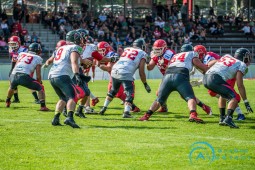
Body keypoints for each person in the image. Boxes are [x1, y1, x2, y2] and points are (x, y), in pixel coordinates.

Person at [139, 44, 209, 122]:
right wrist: (208, 69)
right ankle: (193, 115)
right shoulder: (191, 53)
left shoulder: (175, 55)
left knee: (159, 99)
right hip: (180, 75)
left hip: (167, 76)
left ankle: (147, 115)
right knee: (190, 97)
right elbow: (199, 64)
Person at [99, 38, 151, 118]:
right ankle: (126, 112)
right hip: (125, 72)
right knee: (130, 93)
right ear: (142, 46)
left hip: (115, 70)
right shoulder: (142, 53)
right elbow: (141, 72)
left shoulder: (127, 49)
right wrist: (145, 84)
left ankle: (103, 108)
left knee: (113, 90)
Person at [50, 30, 92, 128]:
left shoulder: (62, 47)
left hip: (52, 75)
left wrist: (83, 61)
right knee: (72, 97)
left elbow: (74, 60)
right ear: (76, 38)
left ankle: (55, 119)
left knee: (63, 98)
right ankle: (70, 118)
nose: (81, 40)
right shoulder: (75, 47)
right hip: (62, 75)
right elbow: (74, 61)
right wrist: (77, 74)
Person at [74, 29, 119, 118]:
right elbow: (100, 59)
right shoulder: (87, 47)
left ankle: (80, 108)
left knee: (82, 90)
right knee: (78, 91)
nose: (86, 39)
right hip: (74, 70)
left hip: (74, 70)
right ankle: (80, 109)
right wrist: (112, 59)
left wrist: (84, 65)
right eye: (85, 37)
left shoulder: (72, 47)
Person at [203, 48, 253, 128]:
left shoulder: (226, 56)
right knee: (235, 97)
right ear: (245, 57)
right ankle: (228, 118)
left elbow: (209, 64)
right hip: (215, 78)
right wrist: (246, 101)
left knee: (224, 95)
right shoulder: (241, 64)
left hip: (206, 78)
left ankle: (222, 118)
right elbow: (240, 85)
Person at [97, 41, 141, 113]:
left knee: (118, 93)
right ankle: (105, 108)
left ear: (107, 49)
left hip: (118, 75)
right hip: (114, 75)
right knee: (113, 92)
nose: (100, 52)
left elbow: (109, 68)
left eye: (102, 50)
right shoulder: (106, 55)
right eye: (99, 50)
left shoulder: (111, 54)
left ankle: (133, 108)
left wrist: (100, 65)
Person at [5, 43, 49, 111]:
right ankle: (43, 106)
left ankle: (7, 102)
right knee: (41, 87)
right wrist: (39, 82)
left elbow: (16, 64)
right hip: (23, 76)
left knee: (12, 87)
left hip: (14, 74)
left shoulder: (22, 54)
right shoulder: (38, 58)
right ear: (38, 50)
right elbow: (38, 75)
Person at [8, 35, 40, 104]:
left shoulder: (24, 50)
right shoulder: (12, 50)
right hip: (17, 66)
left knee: (29, 83)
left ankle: (37, 98)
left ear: (18, 43)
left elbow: (29, 60)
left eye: (14, 43)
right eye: (11, 44)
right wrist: (12, 70)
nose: (12, 45)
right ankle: (16, 99)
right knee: (12, 81)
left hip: (26, 67)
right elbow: (13, 60)